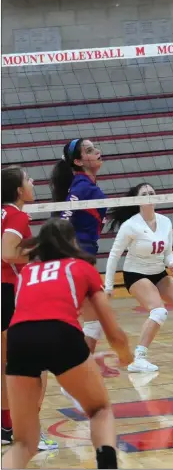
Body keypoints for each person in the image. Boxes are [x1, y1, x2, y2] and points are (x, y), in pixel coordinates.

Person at [2, 218, 133, 469]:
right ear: (72, 242)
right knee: (99, 410)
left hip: (19, 339)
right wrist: (125, 355)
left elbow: (35, 322)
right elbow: (111, 328)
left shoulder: (27, 273)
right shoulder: (81, 267)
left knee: (23, 444)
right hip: (61, 334)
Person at [105, 183, 173, 372]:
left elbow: (168, 252)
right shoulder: (130, 225)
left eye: (152, 192)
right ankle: (138, 359)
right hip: (136, 274)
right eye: (145, 193)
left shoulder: (165, 222)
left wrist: (172, 263)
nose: (150, 195)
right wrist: (108, 286)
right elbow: (114, 256)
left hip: (159, 272)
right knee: (159, 311)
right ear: (138, 200)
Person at [1, 166, 58, 451]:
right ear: (18, 190)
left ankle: (6, 426)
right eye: (28, 180)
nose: (33, 182)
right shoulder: (17, 215)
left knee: (6, 365)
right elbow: (7, 252)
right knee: (37, 364)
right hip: (9, 292)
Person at [50, 139, 116, 379]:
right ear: (78, 161)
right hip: (77, 258)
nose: (97, 151)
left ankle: (81, 372)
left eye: (95, 148)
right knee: (91, 319)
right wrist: (71, 253)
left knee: (89, 320)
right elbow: (65, 217)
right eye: (89, 151)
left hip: (83, 256)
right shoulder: (80, 186)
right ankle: (79, 374)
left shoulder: (87, 185)